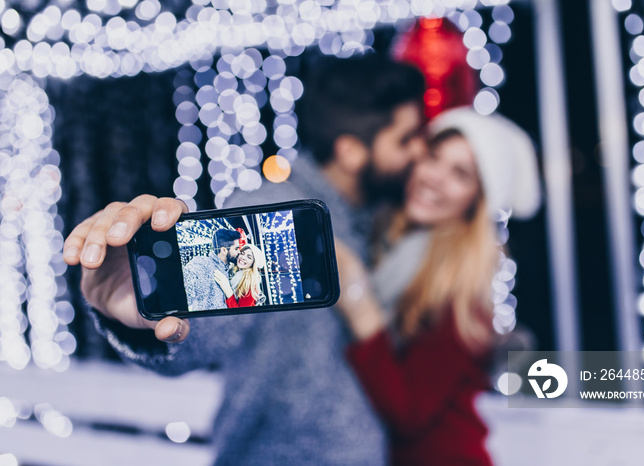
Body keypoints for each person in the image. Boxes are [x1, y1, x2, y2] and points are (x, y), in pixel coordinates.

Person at [63, 54, 426, 464]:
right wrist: (153, 313)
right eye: (406, 139)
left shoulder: (378, 222)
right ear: (351, 152)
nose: (420, 152)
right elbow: (211, 327)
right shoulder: (278, 210)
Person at [333, 107, 541, 465]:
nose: (434, 178)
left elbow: (407, 412)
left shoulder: (461, 294)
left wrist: (357, 301)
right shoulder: (391, 249)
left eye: (460, 174)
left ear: (477, 202)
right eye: (433, 158)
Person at [184, 228, 242, 311]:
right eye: (236, 249)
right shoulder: (202, 264)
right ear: (224, 250)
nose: (239, 252)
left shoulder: (229, 270)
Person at [213, 243, 265, 308]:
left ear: (253, 264)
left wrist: (228, 290)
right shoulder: (232, 271)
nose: (243, 257)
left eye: (249, 257)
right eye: (242, 253)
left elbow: (241, 314)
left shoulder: (250, 283)